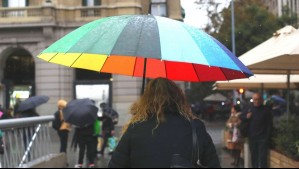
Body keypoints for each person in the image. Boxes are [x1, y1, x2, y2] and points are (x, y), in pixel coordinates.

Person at [108, 77, 220, 168]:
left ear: (146, 100)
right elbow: (213, 164)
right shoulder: (195, 127)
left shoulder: (135, 128)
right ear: (178, 97)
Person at [241, 93, 272, 168]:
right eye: (255, 99)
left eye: (258, 99)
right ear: (253, 100)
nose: (257, 101)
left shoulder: (266, 110)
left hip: (262, 138)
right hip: (252, 137)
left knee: (262, 158)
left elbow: (269, 124)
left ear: (261, 100)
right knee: (254, 157)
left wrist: (267, 137)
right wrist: (246, 117)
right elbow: (241, 117)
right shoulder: (249, 108)